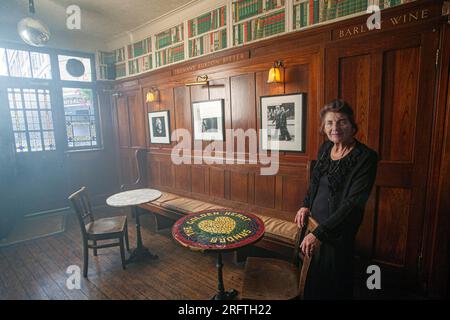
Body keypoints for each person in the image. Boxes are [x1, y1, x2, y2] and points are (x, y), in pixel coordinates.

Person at [294, 99, 378, 300]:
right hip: (314, 223)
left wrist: (319, 234)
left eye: (342, 122)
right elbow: (315, 183)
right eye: (330, 123)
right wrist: (305, 205)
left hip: (339, 230)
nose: (335, 128)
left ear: (352, 125)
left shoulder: (366, 157)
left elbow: (352, 204)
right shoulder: (325, 148)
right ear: (324, 127)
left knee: (334, 281)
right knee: (311, 277)